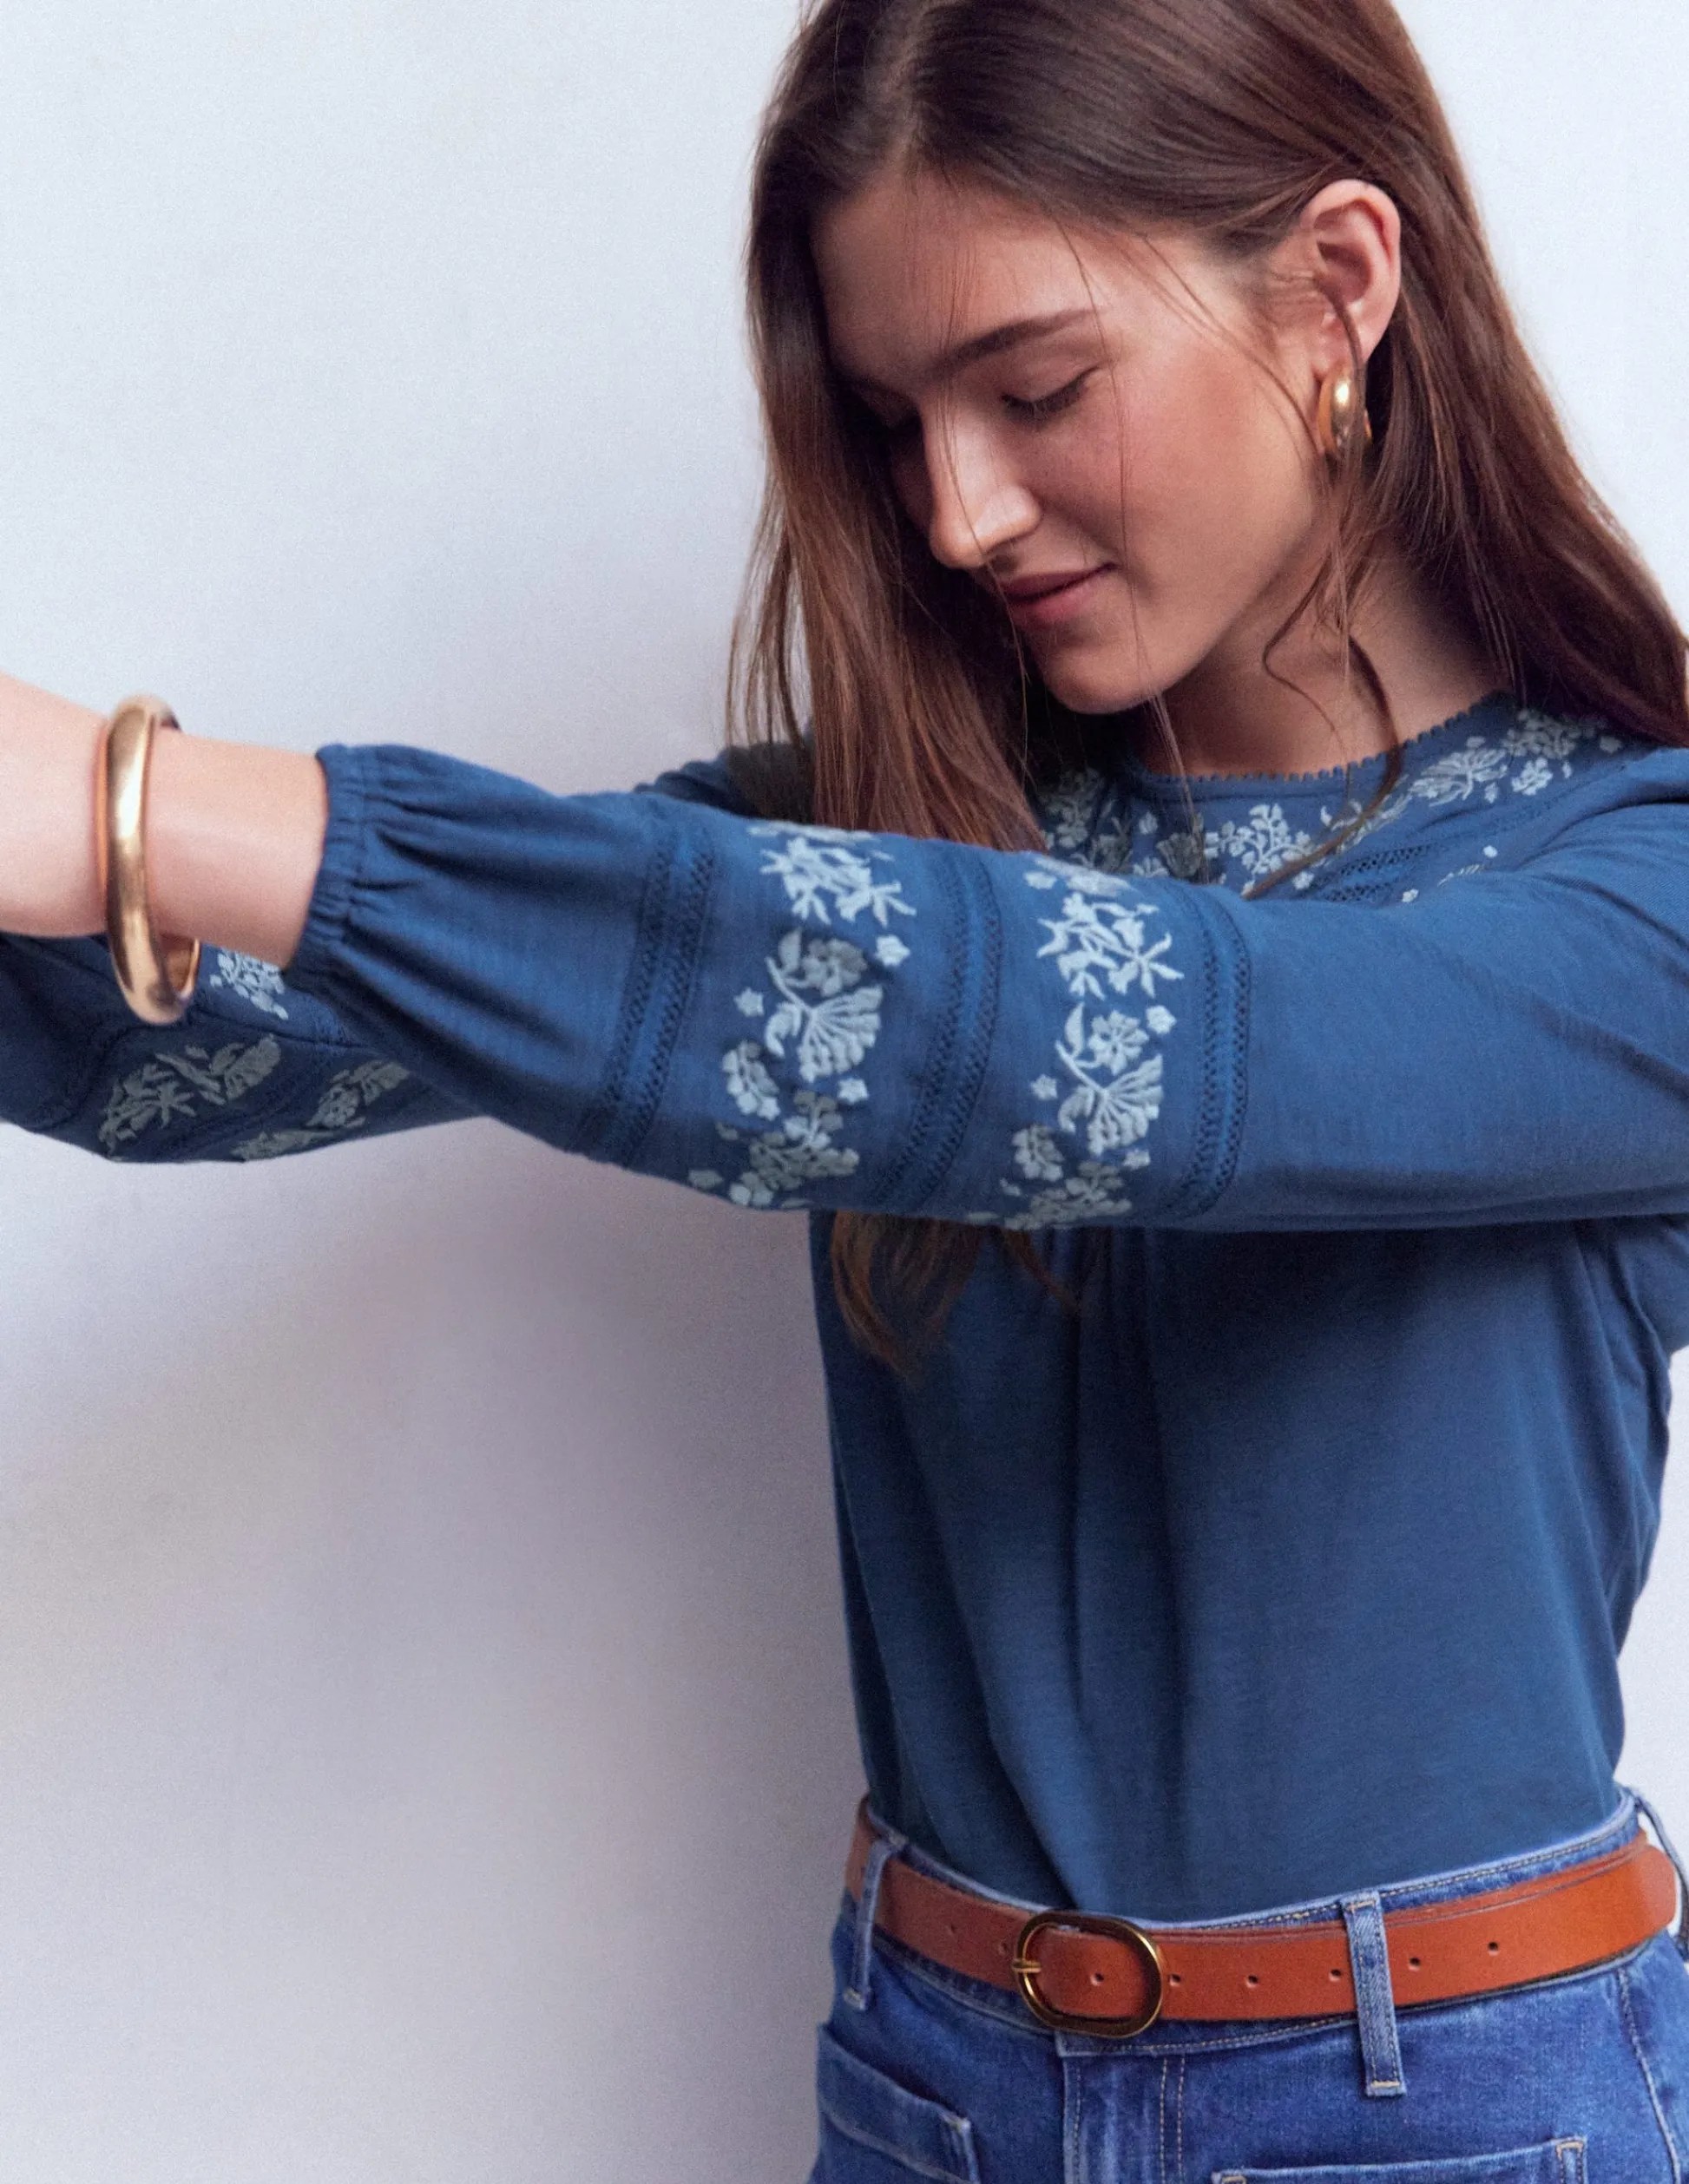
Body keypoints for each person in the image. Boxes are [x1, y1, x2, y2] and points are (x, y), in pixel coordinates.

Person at [3, 0, 1689, 2172]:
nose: (957, 510)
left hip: (1450, 2109)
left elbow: (1116, 1048)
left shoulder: (1630, 885)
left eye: (1036, 387)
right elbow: (218, 1058)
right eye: (896, 420)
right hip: (933, 2075)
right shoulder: (898, 830)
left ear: (1337, 285)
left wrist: (151, 802)